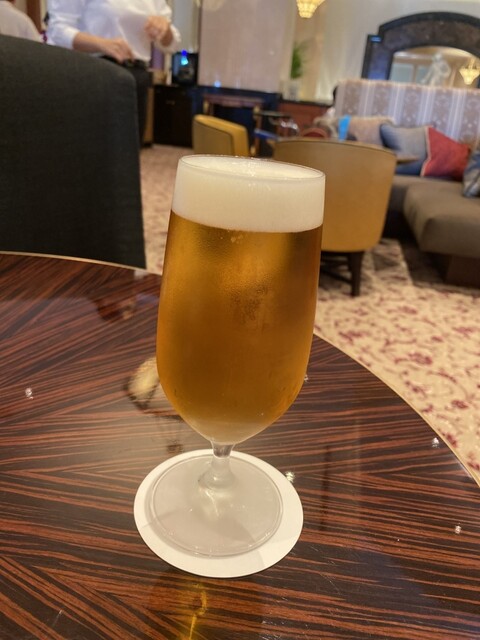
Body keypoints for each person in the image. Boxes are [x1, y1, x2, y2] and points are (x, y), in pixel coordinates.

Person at [47, 0, 181, 142]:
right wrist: (101, 44)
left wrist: (165, 31)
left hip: (136, 76)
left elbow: (172, 44)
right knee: (92, 145)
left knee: (130, 148)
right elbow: (57, 30)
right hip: (93, 73)